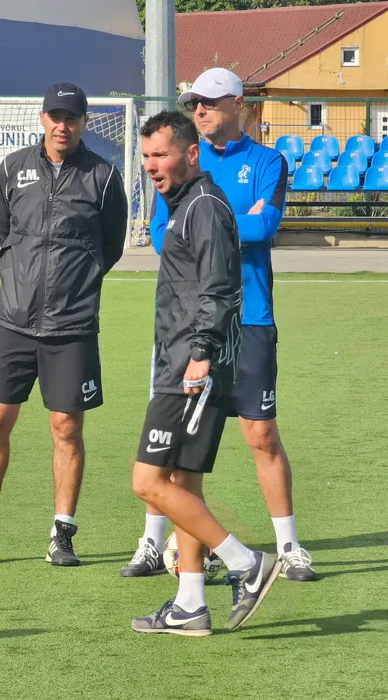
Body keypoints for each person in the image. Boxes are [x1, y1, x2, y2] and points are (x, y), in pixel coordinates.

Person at [121, 68, 314, 583]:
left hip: (250, 318)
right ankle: (152, 543)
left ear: (238, 102)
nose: (200, 110)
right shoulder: (180, 158)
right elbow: (162, 236)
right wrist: (234, 222)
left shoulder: (267, 161)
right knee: (174, 447)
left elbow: (266, 226)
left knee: (261, 433)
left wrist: (215, 224)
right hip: (190, 326)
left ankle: (289, 547)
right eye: (193, 103)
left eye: (208, 101)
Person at [0, 82, 128, 568]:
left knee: (66, 428)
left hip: (71, 325)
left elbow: (111, 247)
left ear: (85, 122)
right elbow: (6, 231)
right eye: (55, 116)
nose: (62, 125)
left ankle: (61, 534)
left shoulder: (104, 177)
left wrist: (76, 284)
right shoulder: (12, 168)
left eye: (71, 117)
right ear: (42, 118)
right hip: (14, 319)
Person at [130, 110, 280, 636]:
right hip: (183, 361)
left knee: (147, 481)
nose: (151, 165)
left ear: (191, 154)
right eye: (146, 156)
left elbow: (220, 287)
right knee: (183, 480)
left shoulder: (205, 207)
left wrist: (200, 354)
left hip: (191, 368)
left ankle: (245, 563)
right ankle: (190, 603)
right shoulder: (183, 205)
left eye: (161, 154)